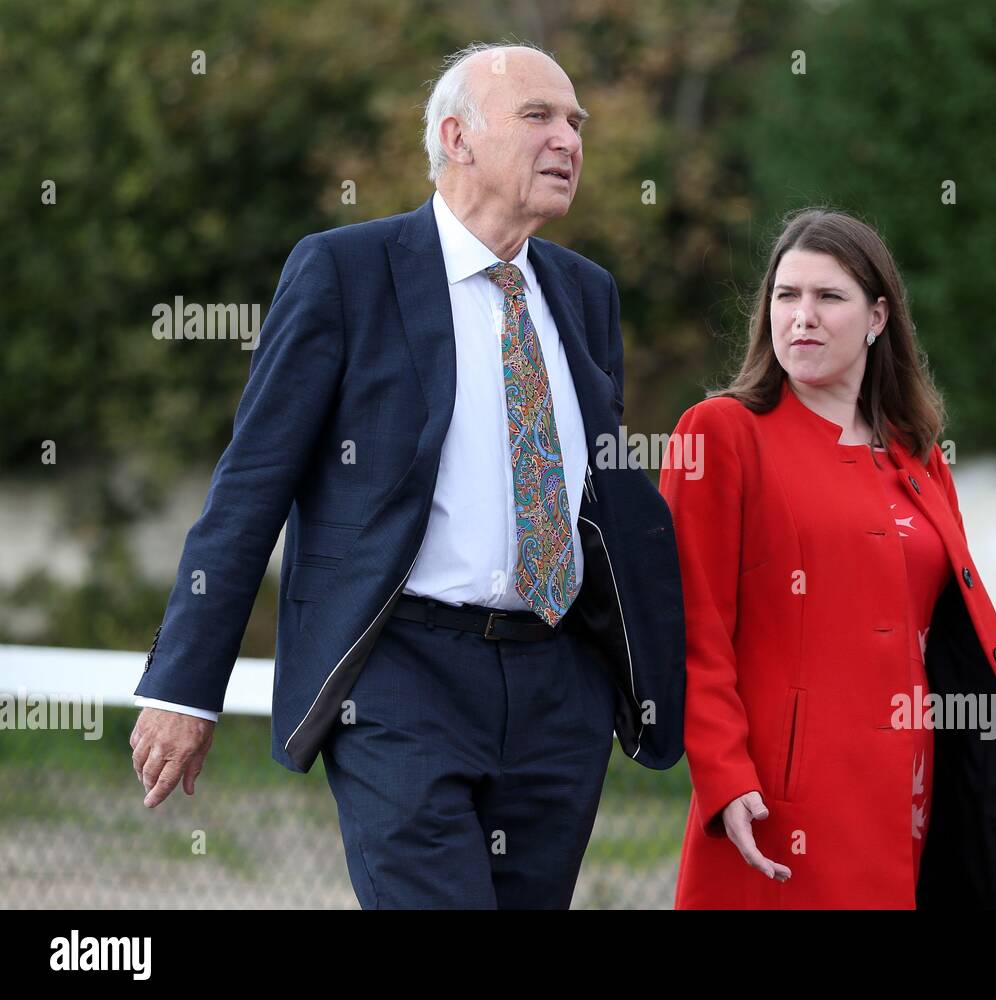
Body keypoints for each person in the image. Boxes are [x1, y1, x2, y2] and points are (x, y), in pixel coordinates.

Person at [129, 41, 685, 909]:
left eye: (576, 122)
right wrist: (183, 687)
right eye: (538, 116)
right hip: (400, 680)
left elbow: (597, 498)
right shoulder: (346, 272)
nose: (569, 139)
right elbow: (251, 485)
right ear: (457, 138)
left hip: (555, 689)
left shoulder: (586, 292)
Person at [658, 208, 996, 908]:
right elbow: (693, 633)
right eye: (786, 296)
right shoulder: (721, 434)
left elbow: (968, 653)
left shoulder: (918, 460)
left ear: (878, 317)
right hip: (784, 812)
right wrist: (726, 777)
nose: (802, 316)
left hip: (926, 803)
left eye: (829, 297)